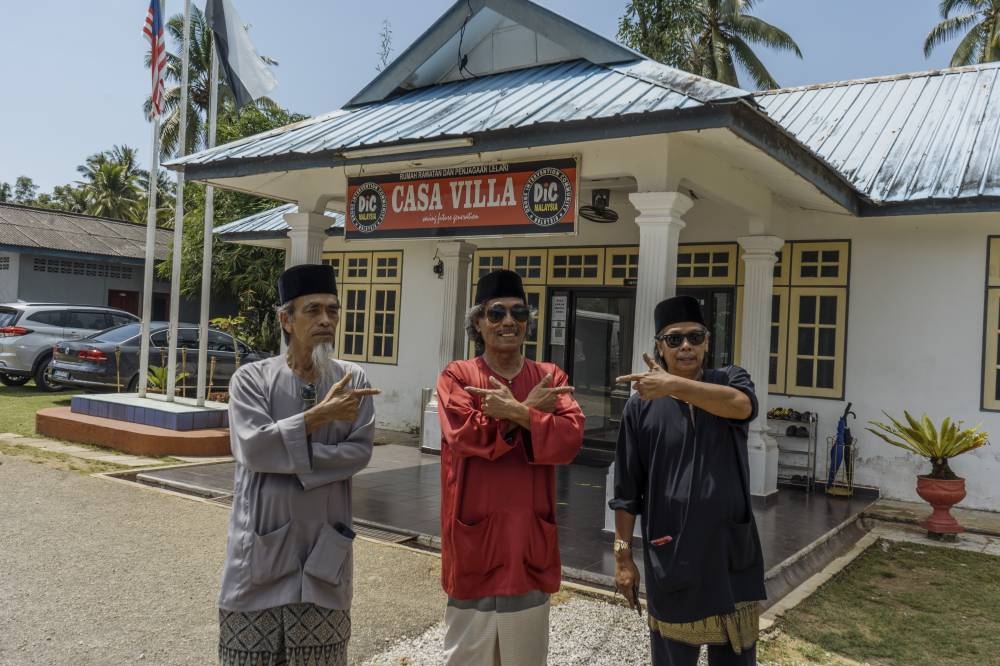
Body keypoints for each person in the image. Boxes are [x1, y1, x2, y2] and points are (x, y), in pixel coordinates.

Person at [217, 264, 381, 666]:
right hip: (260, 555)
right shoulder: (251, 379)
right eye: (313, 310)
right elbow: (253, 449)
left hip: (325, 553)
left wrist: (286, 452)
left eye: (332, 310)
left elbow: (358, 453)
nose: (326, 320)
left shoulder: (353, 378)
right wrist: (316, 420)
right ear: (286, 319)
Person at [436, 269, 585, 665]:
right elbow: (467, 437)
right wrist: (535, 414)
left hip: (527, 541)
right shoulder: (459, 376)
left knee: (526, 656)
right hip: (475, 540)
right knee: (467, 657)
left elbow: (569, 440)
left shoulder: (550, 377)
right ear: (478, 323)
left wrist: (518, 410)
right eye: (496, 312)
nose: (508, 322)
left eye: (518, 313)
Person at [611, 295, 766, 666]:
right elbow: (627, 490)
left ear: (708, 343)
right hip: (673, 552)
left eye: (695, 338)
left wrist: (673, 386)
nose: (686, 346)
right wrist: (622, 558)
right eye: (674, 339)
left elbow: (741, 406)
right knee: (672, 657)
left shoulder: (729, 379)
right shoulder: (641, 404)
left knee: (735, 658)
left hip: (731, 551)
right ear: (659, 348)